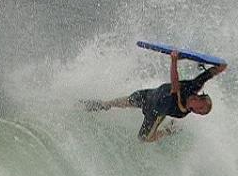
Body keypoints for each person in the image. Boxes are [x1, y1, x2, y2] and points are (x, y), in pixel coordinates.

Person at [83, 51, 227, 142]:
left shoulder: (182, 109)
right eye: (201, 102)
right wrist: (220, 67)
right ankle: (99, 105)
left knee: (143, 139)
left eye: (200, 109)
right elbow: (209, 74)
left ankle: (168, 131)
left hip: (154, 113)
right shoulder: (194, 87)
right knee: (121, 102)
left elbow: (175, 84)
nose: (198, 103)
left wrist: (174, 61)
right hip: (150, 95)